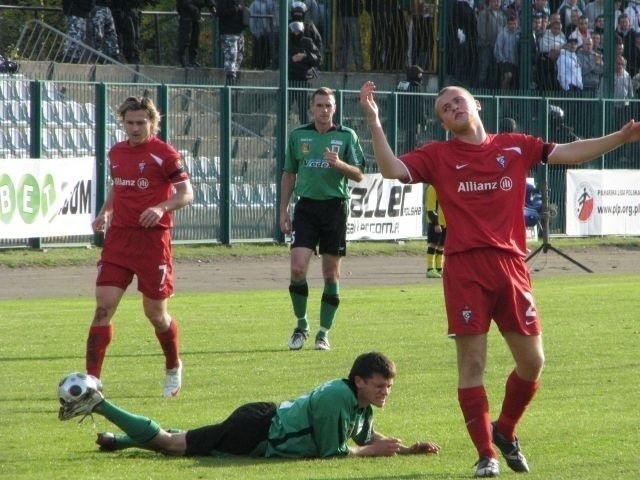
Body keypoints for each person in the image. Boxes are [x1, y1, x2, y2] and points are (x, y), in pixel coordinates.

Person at [359, 81, 640, 477]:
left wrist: (623, 137)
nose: (453, 107)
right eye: (444, 108)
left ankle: (504, 431)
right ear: (443, 123)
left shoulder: (515, 145)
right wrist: (373, 121)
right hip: (465, 269)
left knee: (533, 361)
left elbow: (568, 152)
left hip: (512, 266)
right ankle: (486, 454)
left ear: (477, 104)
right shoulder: (438, 155)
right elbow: (391, 170)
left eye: (458, 100)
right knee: (472, 365)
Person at [59, 352, 442, 459]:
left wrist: (406, 449)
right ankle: (99, 403)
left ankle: (119, 441)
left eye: (388, 387)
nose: (384, 392)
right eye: (379, 386)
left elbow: (362, 433)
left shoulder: (355, 401)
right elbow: (334, 452)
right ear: (359, 380)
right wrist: (371, 452)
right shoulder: (337, 399)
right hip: (257, 433)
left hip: (261, 418)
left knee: (189, 438)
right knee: (171, 444)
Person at [86, 96, 194, 398]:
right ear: (123, 122)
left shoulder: (165, 155)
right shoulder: (116, 152)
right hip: (119, 239)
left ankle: (173, 366)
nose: (134, 128)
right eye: (129, 122)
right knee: (103, 308)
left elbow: (187, 194)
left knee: (156, 314)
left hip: (152, 242)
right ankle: (91, 382)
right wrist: (106, 211)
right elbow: (118, 185)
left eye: (140, 123)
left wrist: (161, 207)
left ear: (152, 123)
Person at [280, 87, 365, 352]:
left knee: (330, 274)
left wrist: (339, 164)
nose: (324, 110)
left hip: (335, 209)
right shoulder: (298, 136)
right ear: (311, 108)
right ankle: (301, 324)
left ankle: (323, 333)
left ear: (335, 108)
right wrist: (283, 210)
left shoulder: (346, 136)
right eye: (319, 105)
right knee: (297, 268)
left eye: (328, 105)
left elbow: (359, 174)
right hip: (306, 208)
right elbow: (289, 174)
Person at [287, 21, 321, 125]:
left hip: (304, 79)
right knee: (285, 105)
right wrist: (291, 59)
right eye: (294, 32)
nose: (296, 34)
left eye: (298, 32)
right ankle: (278, 129)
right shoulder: (286, 42)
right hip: (290, 79)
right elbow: (277, 59)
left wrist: (305, 56)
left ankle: (305, 127)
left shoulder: (307, 42)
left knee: (303, 107)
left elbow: (318, 59)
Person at [176, 0, 216, 68]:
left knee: (195, 38)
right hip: (186, 14)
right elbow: (184, 3)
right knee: (185, 38)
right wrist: (194, 10)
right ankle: (183, 60)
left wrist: (212, 7)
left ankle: (193, 59)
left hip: (196, 15)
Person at [216, 0, 246, 84]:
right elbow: (220, 13)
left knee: (239, 56)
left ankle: (234, 75)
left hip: (239, 32)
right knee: (231, 56)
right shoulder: (223, 2)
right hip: (228, 32)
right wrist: (234, 9)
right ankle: (230, 80)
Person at [424, 184, 446, 279]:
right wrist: (436, 223)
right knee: (433, 244)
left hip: (444, 221)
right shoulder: (432, 188)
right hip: (436, 222)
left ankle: (439, 268)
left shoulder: (442, 186)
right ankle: (430, 269)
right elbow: (431, 209)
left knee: (441, 245)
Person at [335, 0, 364, 72]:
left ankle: (342, 65)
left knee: (347, 42)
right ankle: (357, 65)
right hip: (350, 16)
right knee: (353, 42)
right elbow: (360, 5)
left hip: (346, 16)